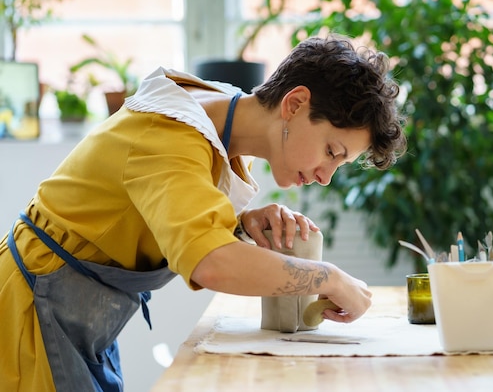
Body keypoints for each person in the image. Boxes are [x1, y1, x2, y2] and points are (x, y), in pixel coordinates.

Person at [0, 35, 406, 391]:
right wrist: (328, 278)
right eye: (331, 152)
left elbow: (159, 202)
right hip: (29, 312)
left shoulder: (215, 119)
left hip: (70, 315)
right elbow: (209, 263)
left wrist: (236, 223)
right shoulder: (172, 131)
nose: (325, 177)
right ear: (295, 104)